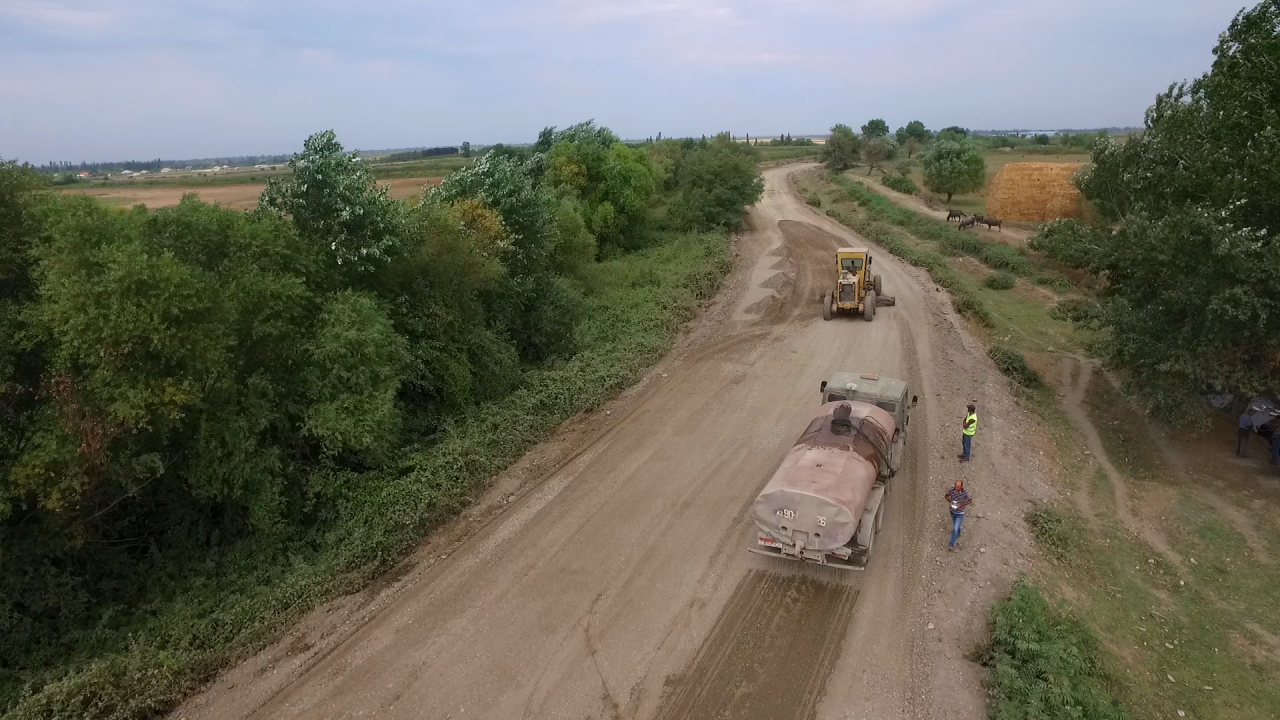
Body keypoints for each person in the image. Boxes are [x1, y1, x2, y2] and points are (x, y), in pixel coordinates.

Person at [945, 480, 972, 550]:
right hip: (952, 511)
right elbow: (946, 496)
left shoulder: (965, 493)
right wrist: (950, 501)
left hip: (960, 513)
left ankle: (951, 544)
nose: (956, 488)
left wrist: (962, 505)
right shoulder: (951, 490)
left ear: (961, 487)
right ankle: (958, 532)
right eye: (956, 486)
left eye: (958, 487)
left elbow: (970, 501)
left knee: (955, 528)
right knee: (956, 526)